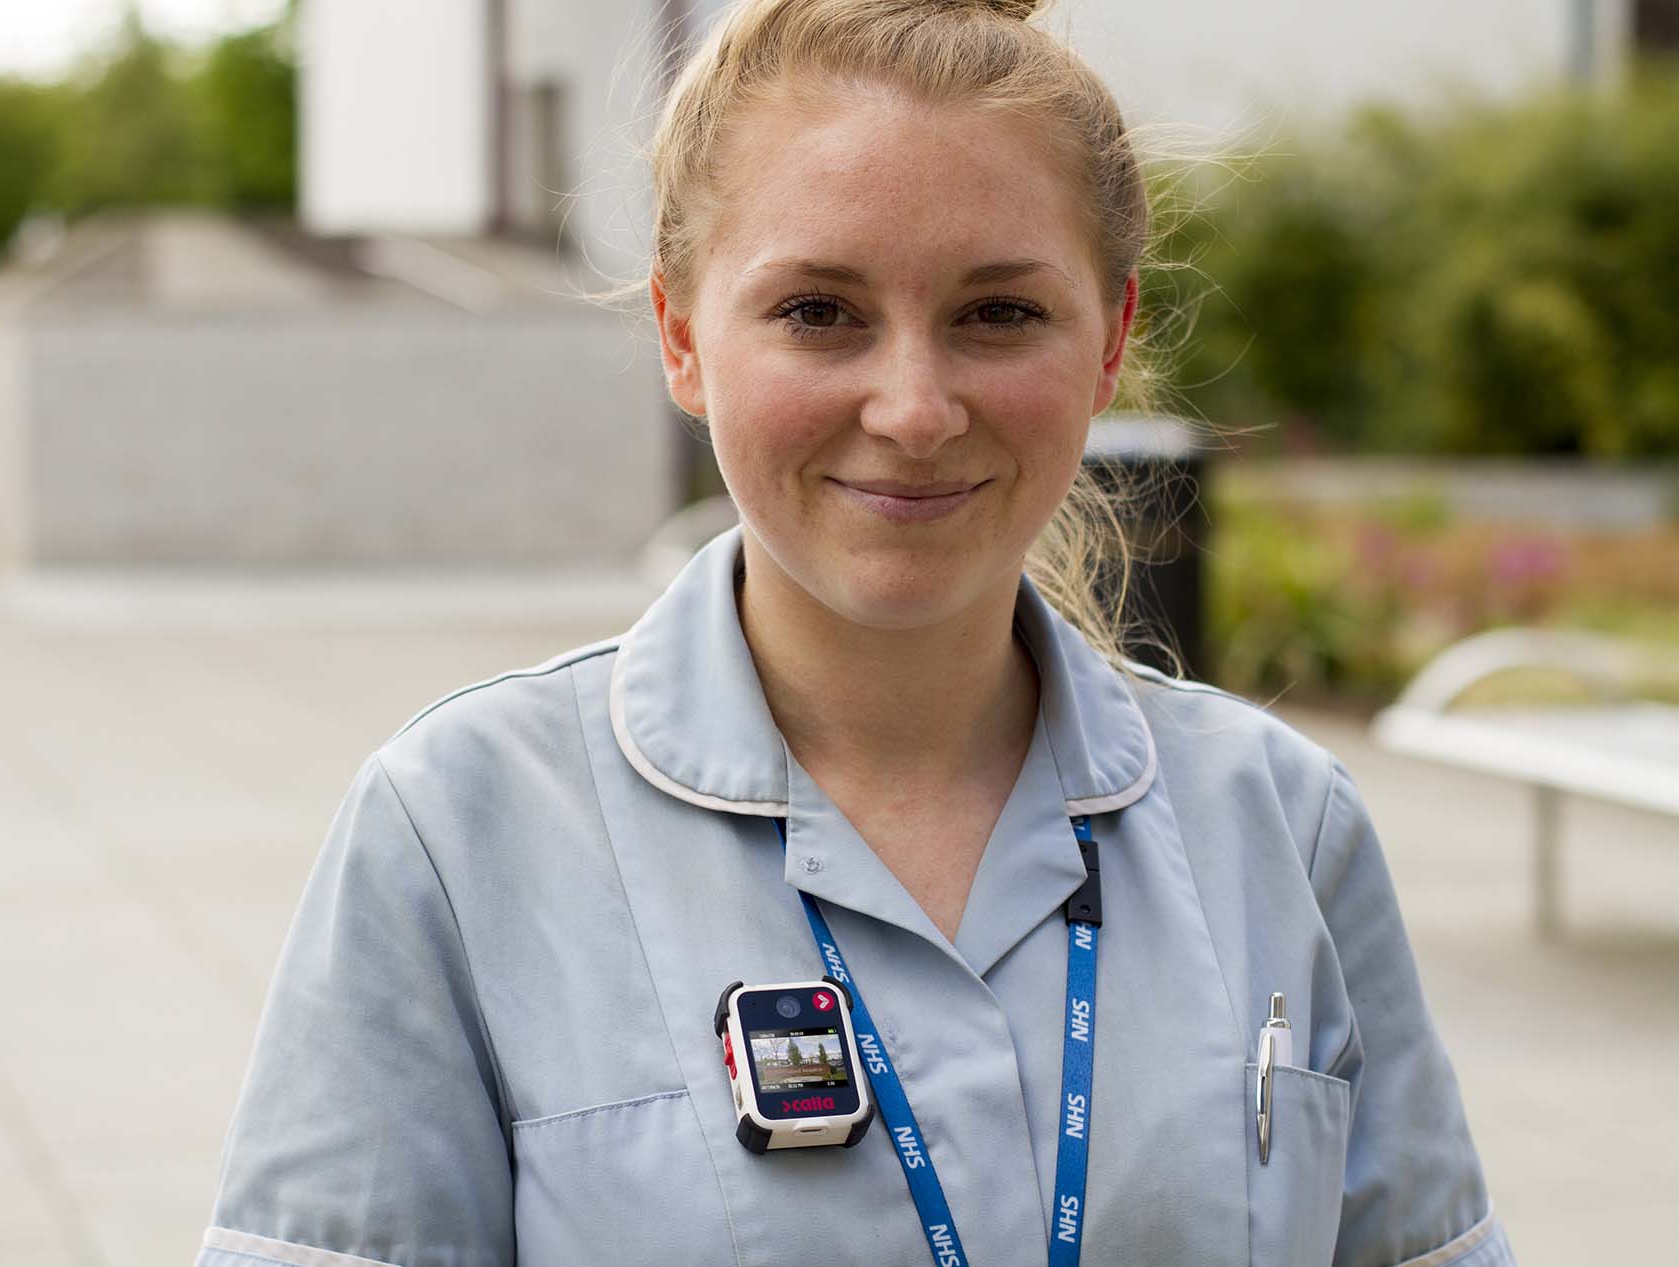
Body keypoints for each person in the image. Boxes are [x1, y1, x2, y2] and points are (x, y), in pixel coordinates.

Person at [192, 1, 1517, 1264]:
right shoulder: (460, 831)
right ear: (681, 334)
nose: (915, 407)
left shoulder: (1280, 826)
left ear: (1109, 344)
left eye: (999, 313)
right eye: (819, 313)